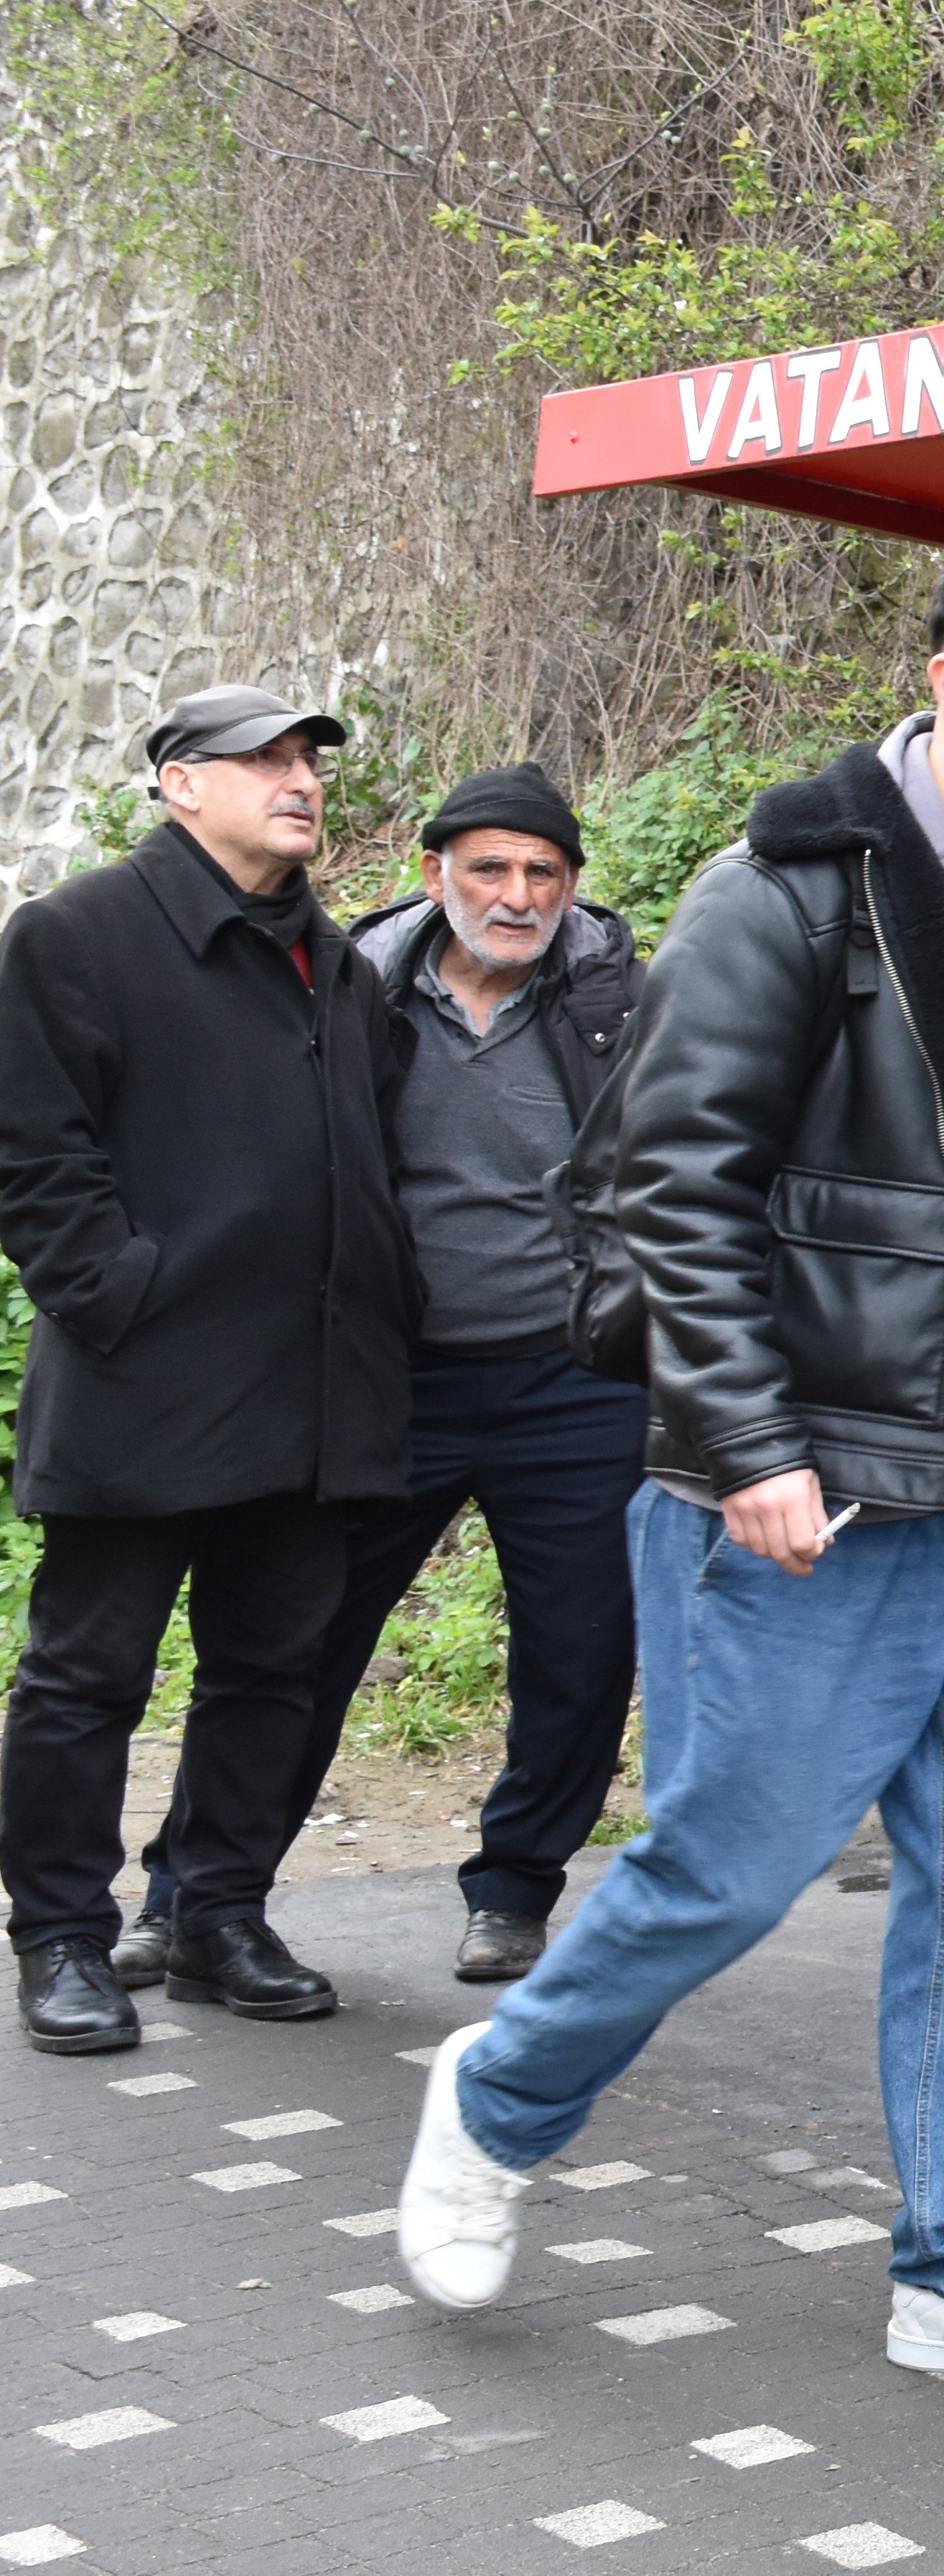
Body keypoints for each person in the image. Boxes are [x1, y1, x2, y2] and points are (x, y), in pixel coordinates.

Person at [391, 526, 944, 2402]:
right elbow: (669, 1186)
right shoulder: (792, 892)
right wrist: (743, 1438)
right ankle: (503, 2096)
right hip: (814, 1492)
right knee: (729, 1866)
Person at [118, 764, 648, 1992]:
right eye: (491, 870)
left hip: (574, 1381)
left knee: (580, 1654)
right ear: (434, 874)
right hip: (387, 1380)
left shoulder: (622, 1003)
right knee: (289, 1643)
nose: (517, 897)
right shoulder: (348, 990)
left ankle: (515, 1888)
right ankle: (194, 1896)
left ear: (571, 888)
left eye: (544, 875)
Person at [0, 685, 416, 2052]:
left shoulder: (341, 967)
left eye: (310, 761)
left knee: (272, 1669)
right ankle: (60, 1935)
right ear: (180, 784)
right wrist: (125, 1297)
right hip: (144, 1384)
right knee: (87, 1673)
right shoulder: (77, 938)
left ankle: (218, 1914)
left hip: (309, 1398)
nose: (300, 780)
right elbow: (34, 1158)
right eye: (267, 759)